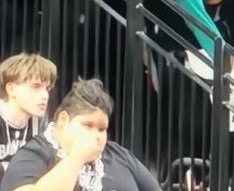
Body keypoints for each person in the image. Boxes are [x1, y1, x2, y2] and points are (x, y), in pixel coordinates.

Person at [0, 78, 161, 191]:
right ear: (63, 120)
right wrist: (76, 158)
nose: (96, 135)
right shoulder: (34, 154)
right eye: (88, 125)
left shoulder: (120, 155)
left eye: (102, 129)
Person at [0, 53, 57, 173]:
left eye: (47, 88)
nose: (45, 95)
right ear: (11, 89)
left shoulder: (43, 126)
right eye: (36, 87)